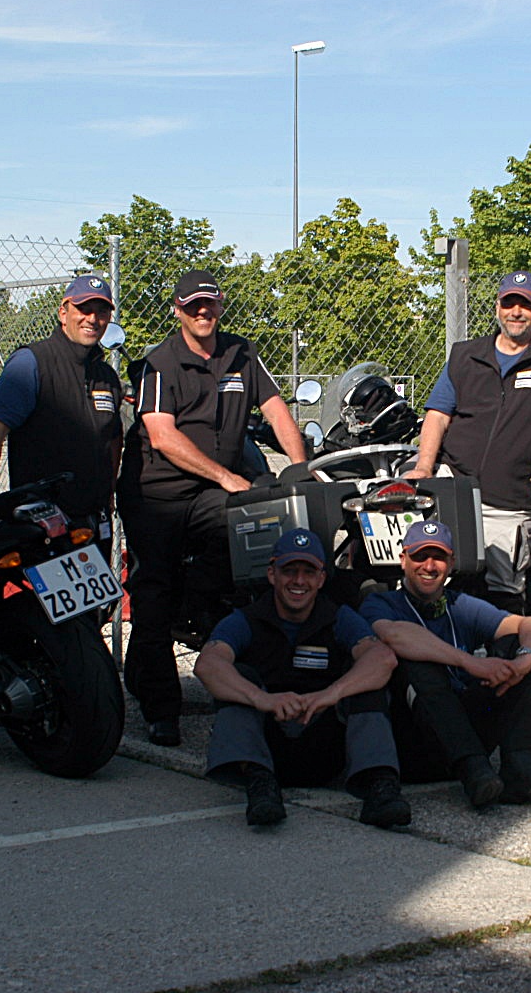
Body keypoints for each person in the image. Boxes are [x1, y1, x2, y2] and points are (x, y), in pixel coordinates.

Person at [116, 270, 307, 747]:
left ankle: (199, 602)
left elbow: (276, 410)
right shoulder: (159, 363)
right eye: (192, 306)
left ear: (220, 305)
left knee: (254, 525)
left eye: (210, 304)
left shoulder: (242, 353)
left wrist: (302, 468)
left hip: (208, 492)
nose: (203, 312)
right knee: (154, 594)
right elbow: (162, 436)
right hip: (156, 494)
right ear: (178, 310)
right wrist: (225, 477)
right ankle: (161, 710)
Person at [194, 528, 411, 829]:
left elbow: (383, 658)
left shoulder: (338, 616)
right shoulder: (246, 619)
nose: (299, 581)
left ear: (321, 579)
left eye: (308, 572)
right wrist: (263, 699)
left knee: (366, 681)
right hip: (268, 746)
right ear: (272, 574)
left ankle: (380, 788)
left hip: (323, 741)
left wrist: (330, 694)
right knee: (237, 677)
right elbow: (208, 664)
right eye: (289, 571)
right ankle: (260, 787)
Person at [406, 271, 531, 613]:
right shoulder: (465, 355)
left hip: (510, 502)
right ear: (497, 308)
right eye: (509, 303)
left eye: (526, 304)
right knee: (431, 586)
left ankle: (505, 648)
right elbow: (438, 414)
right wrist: (423, 467)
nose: (516, 312)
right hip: (453, 490)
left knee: (502, 600)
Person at [362, 520, 531, 808]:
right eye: (420, 556)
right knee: (419, 664)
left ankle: (520, 768)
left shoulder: (458, 604)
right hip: (415, 741)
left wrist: (524, 659)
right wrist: (471, 662)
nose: (429, 566)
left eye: (438, 558)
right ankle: (473, 771)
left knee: (517, 646)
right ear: (403, 560)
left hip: (467, 729)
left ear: (451, 563)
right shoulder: (382, 603)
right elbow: (394, 635)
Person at [0, 273, 123, 547]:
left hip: (93, 519)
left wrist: (109, 492)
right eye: (84, 309)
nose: (92, 319)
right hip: (41, 523)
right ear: (63, 313)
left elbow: (113, 439)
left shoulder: (107, 377)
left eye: (101, 312)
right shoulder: (31, 362)